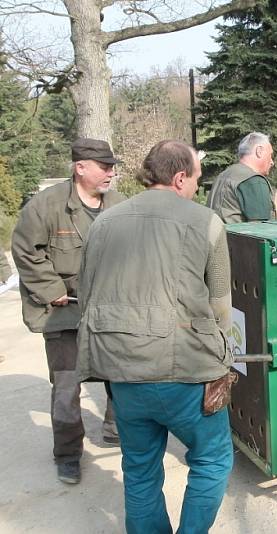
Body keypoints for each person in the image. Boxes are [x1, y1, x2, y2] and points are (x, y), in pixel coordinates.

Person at [77, 140, 234, 533]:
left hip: (123, 373)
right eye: (196, 179)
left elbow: (87, 293)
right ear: (180, 176)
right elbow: (220, 306)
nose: (197, 188)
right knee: (213, 460)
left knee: (140, 471)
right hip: (188, 374)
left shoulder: (103, 223)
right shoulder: (206, 222)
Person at [11, 138, 123, 484]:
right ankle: (68, 453)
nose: (110, 173)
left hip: (108, 310)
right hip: (65, 313)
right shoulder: (46, 206)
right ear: (80, 167)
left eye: (112, 166)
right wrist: (52, 289)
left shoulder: (119, 205)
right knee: (66, 386)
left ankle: (115, 430)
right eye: (104, 167)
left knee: (121, 375)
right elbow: (25, 250)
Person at [207, 131, 275, 223]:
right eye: (270, 155)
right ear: (259, 151)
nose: (272, 162)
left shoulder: (223, 175)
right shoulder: (254, 180)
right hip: (235, 237)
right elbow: (262, 230)